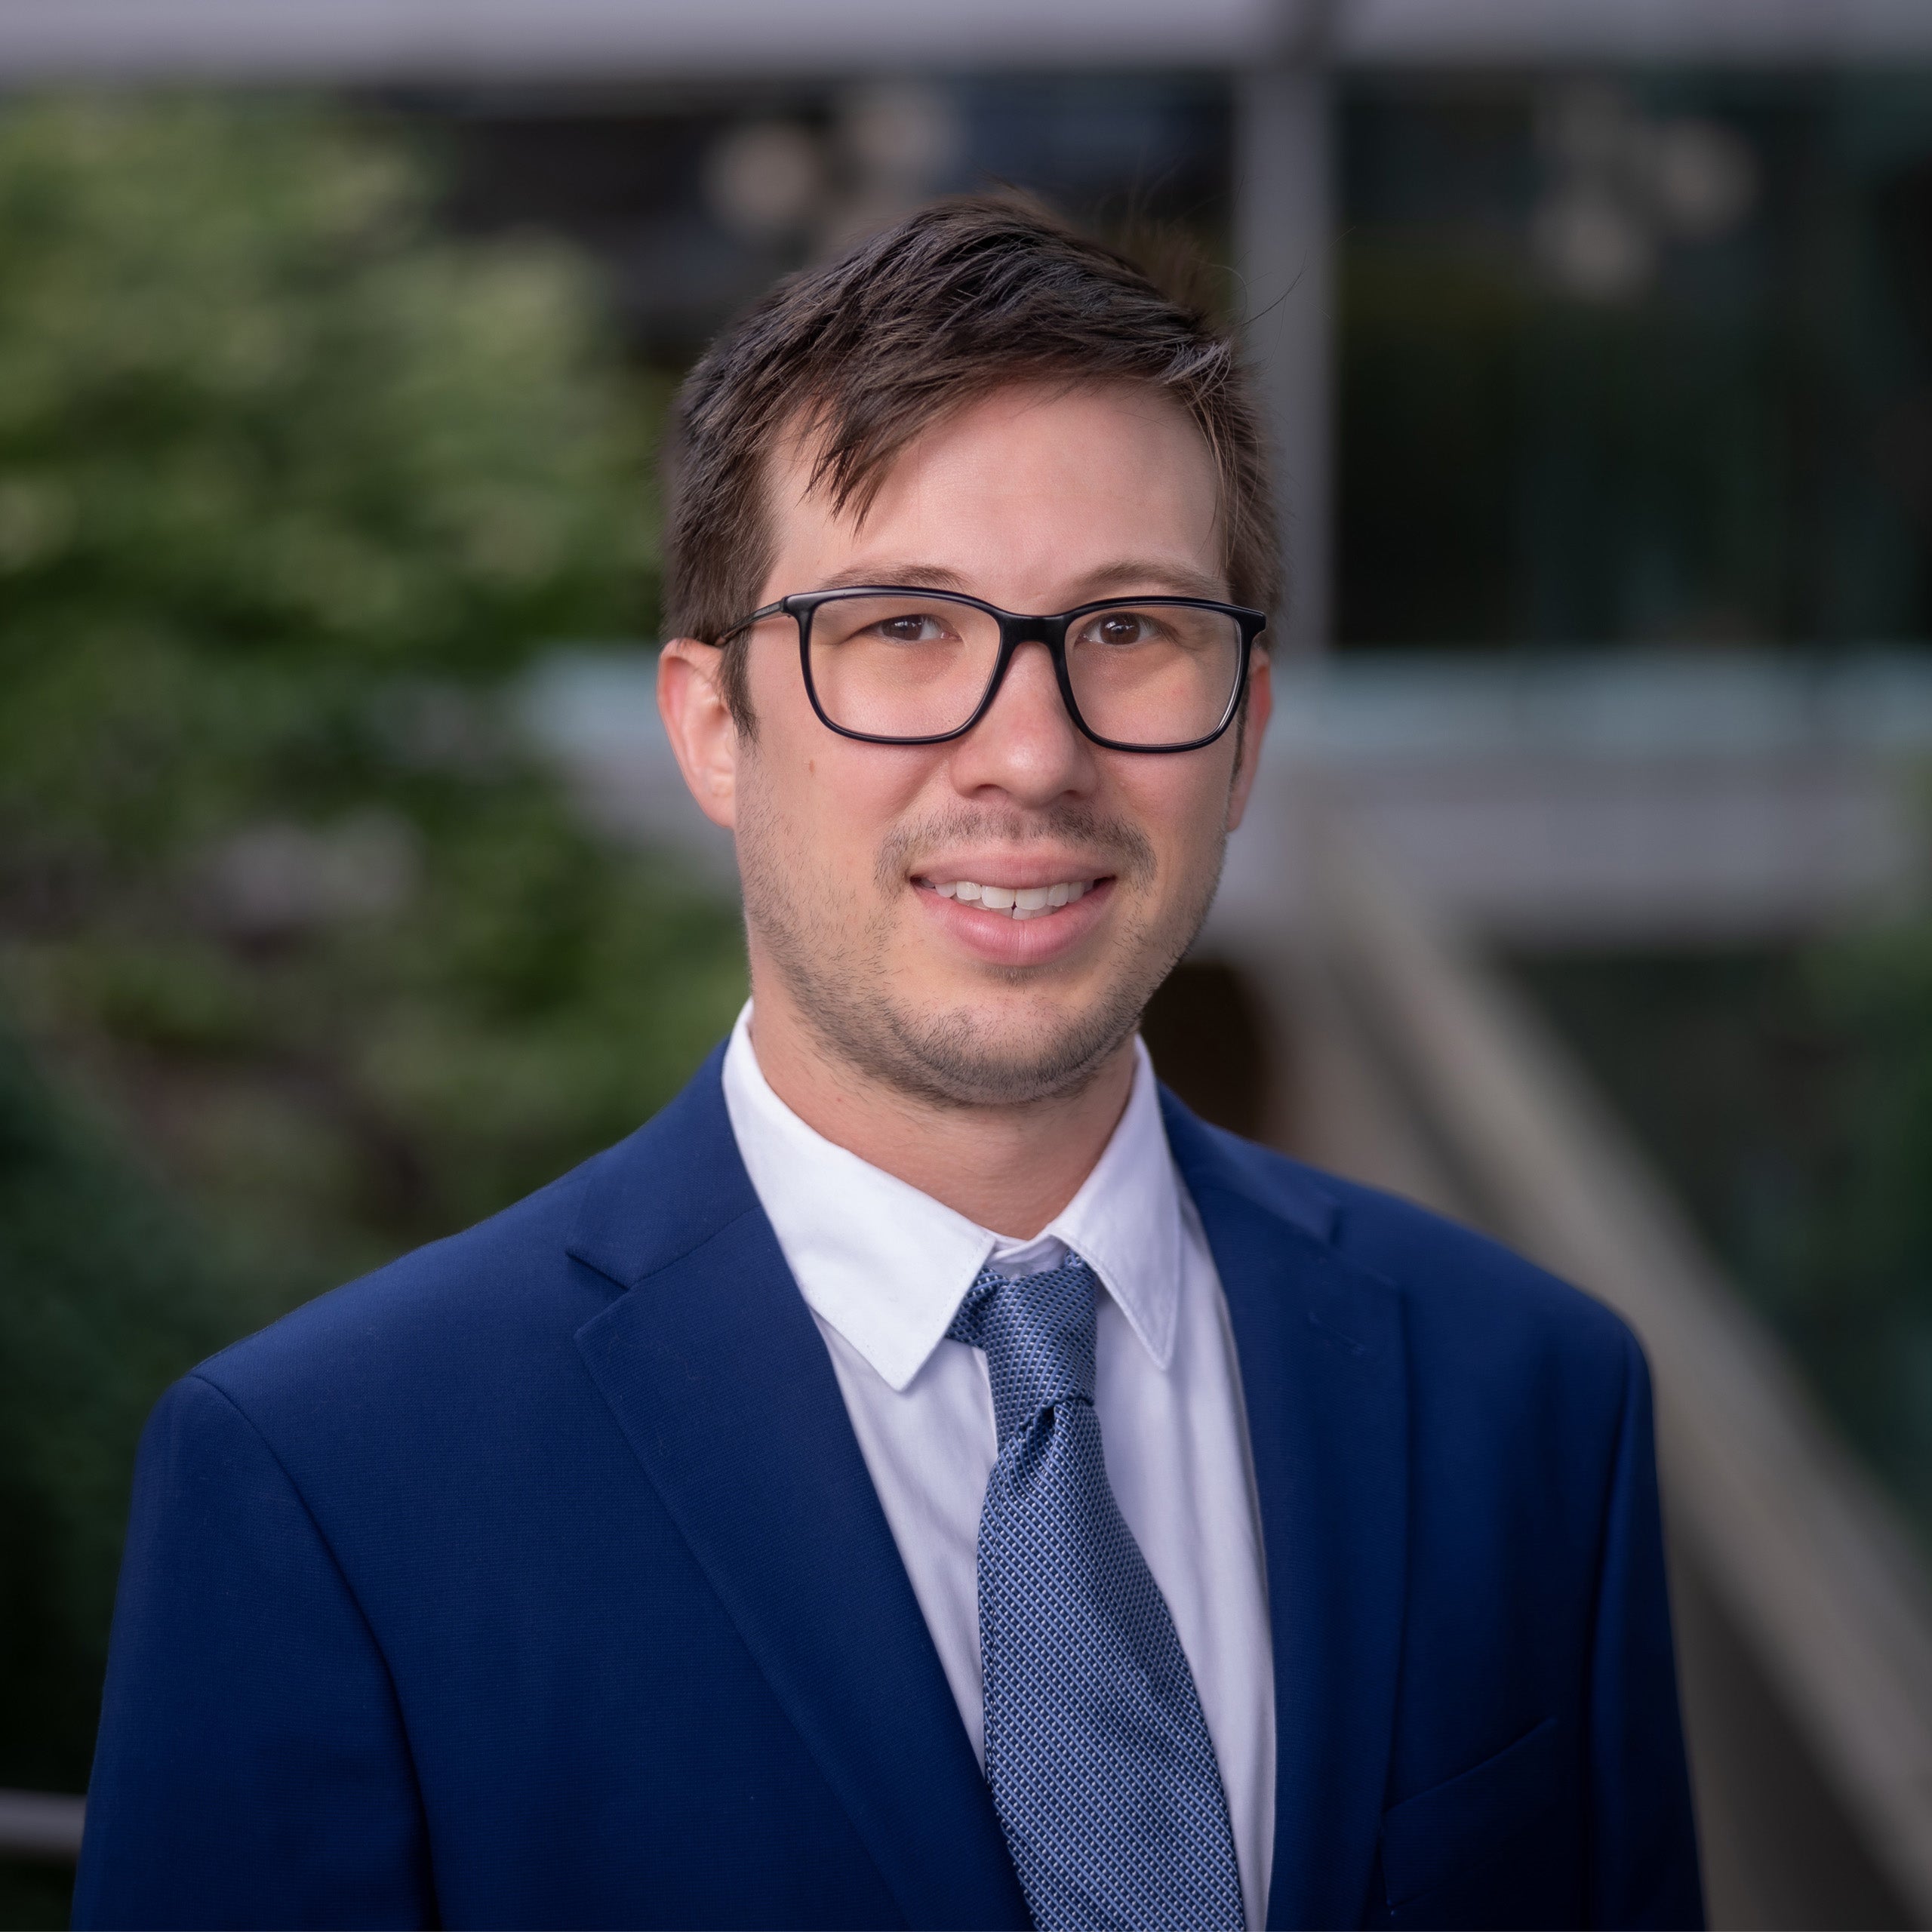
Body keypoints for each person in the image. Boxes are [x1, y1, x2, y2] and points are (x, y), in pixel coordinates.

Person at [74, 195, 1703, 1931]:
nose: (1030, 753)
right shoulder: (334, 1485)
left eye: (1129, 628)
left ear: (1242, 734)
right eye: (904, 629)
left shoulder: (1526, 1398)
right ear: (714, 725)